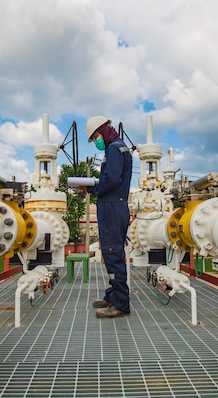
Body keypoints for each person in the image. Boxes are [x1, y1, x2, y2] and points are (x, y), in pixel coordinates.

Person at [83, 115, 133, 318]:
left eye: (96, 137)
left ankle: (120, 304)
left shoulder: (114, 148)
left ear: (103, 130)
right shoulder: (119, 148)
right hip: (115, 206)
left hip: (112, 207)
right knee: (113, 254)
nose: (96, 141)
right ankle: (113, 295)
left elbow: (111, 179)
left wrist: (92, 188)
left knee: (112, 254)